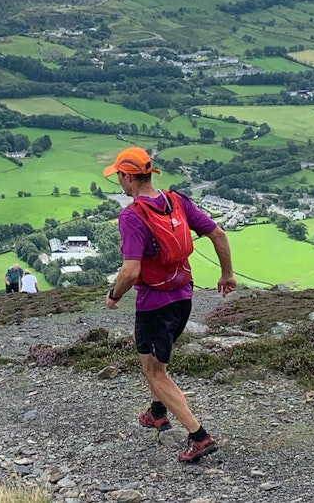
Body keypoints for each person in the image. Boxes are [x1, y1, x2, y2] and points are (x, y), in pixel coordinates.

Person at [102, 145, 236, 464]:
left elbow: (131, 271)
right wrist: (227, 274)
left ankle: (197, 436)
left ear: (127, 177)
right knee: (157, 361)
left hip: (154, 305)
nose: (118, 182)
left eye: (118, 176)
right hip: (183, 297)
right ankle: (157, 412)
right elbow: (217, 234)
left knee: (153, 371)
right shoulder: (177, 201)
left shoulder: (132, 216)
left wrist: (114, 295)